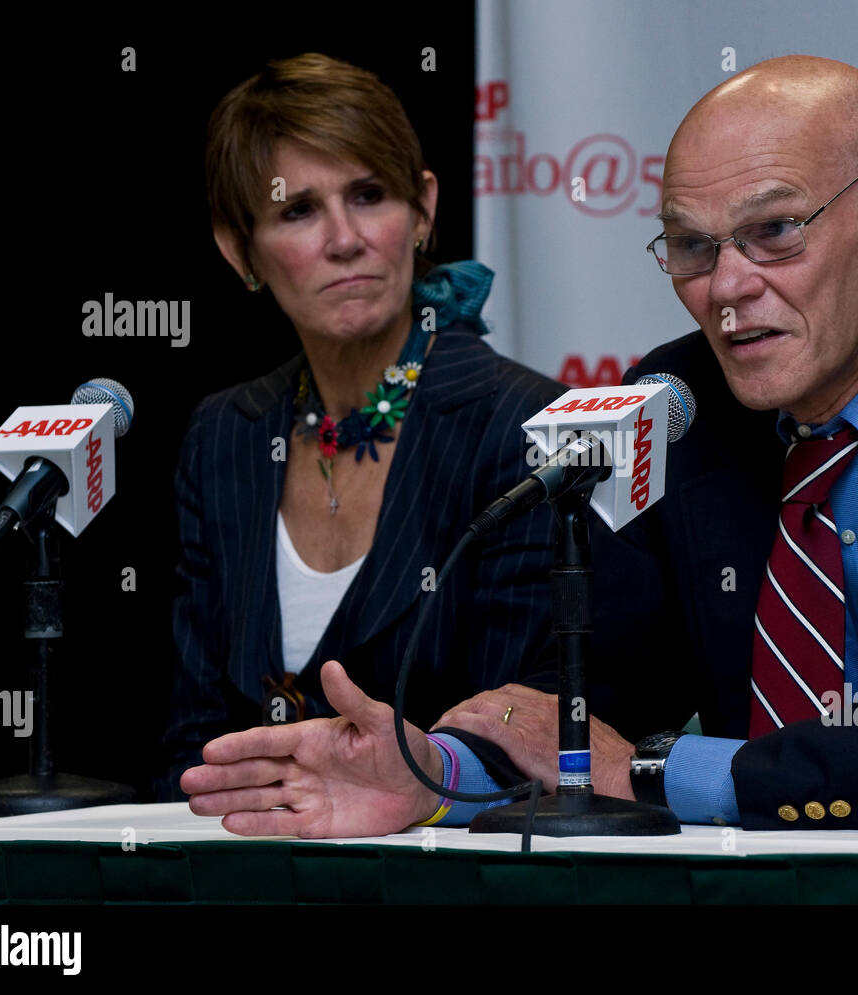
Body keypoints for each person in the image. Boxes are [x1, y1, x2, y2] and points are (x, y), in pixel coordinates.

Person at [181, 55, 858, 835]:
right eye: (691, 246)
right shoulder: (679, 397)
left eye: (775, 231)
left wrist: (647, 772)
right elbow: (587, 685)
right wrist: (434, 768)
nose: (727, 289)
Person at [156, 53, 562, 804]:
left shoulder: (525, 427)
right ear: (239, 251)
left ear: (424, 209)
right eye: (298, 211)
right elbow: (193, 740)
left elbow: (525, 733)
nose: (345, 239)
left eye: (369, 195)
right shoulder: (224, 434)